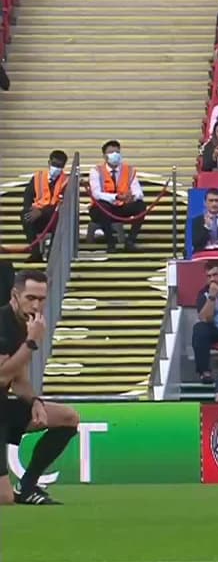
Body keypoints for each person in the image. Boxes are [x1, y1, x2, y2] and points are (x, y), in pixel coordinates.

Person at [0, 271, 81, 505]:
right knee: (4, 498)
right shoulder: (3, 325)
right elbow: (2, 377)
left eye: (41, 299)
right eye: (30, 298)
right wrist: (32, 342)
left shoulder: (24, 324)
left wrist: (34, 401)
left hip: (2, 408)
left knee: (68, 417)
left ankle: (27, 487)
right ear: (15, 295)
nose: (36, 305)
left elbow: (19, 379)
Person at [88, 140, 146, 252]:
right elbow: (96, 194)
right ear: (104, 156)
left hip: (121, 207)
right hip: (102, 209)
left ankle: (130, 241)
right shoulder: (96, 171)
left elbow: (138, 192)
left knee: (141, 206)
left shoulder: (129, 170)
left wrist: (133, 197)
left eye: (117, 152)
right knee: (102, 205)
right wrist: (116, 197)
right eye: (111, 152)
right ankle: (111, 242)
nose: (115, 155)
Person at [20, 150, 69, 261]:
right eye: (54, 164)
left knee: (61, 217)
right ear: (49, 162)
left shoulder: (66, 181)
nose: (56, 168)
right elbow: (28, 195)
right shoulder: (38, 177)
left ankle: (52, 254)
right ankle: (35, 252)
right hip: (38, 215)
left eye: (60, 166)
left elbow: (64, 204)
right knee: (25, 215)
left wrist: (41, 212)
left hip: (55, 215)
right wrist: (30, 209)